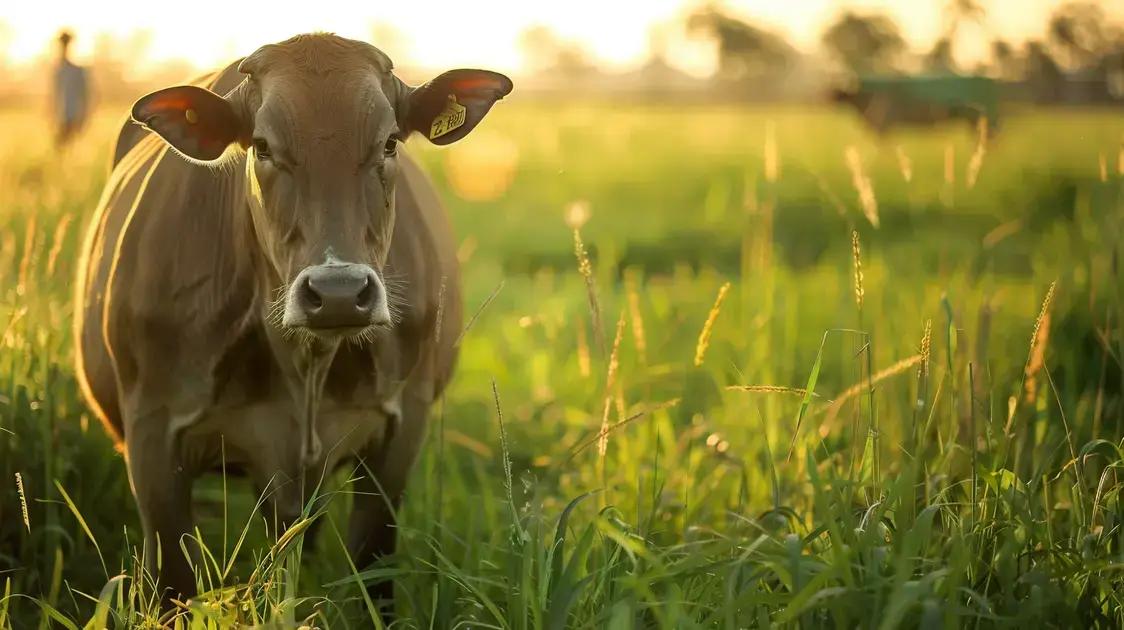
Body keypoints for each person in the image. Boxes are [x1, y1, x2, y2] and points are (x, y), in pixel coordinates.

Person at [51, 30, 89, 147]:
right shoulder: (58, 70)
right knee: (61, 147)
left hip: (73, 115)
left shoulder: (77, 71)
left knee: (69, 147)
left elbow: (85, 95)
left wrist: (82, 116)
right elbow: (54, 95)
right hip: (59, 116)